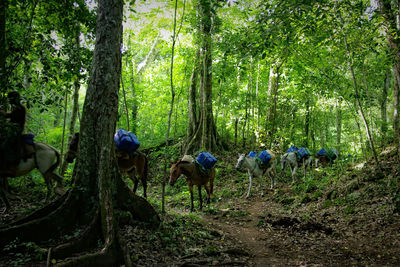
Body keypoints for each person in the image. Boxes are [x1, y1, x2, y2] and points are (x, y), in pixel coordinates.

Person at [0, 91, 27, 174]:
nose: (9, 100)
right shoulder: (15, 108)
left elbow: (11, 117)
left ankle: (12, 166)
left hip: (16, 131)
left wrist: (3, 113)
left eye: (11, 98)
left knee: (5, 146)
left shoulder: (20, 108)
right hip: (12, 129)